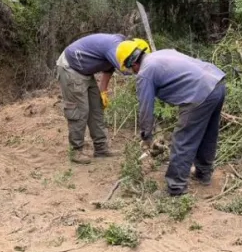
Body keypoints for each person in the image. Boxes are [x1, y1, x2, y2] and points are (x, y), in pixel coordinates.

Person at [116, 40, 226, 196]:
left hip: (199, 93)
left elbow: (146, 108)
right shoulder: (161, 53)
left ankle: (175, 188)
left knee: (183, 140)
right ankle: (203, 173)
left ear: (132, 64)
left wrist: (146, 136)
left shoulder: (145, 73)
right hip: (217, 83)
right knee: (208, 133)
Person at [56, 33, 145, 164]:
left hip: (85, 71)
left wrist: (103, 91)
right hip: (71, 68)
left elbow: (109, 69)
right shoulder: (115, 48)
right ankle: (76, 150)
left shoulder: (119, 47)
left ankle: (101, 148)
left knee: (96, 109)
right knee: (80, 111)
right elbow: (127, 70)